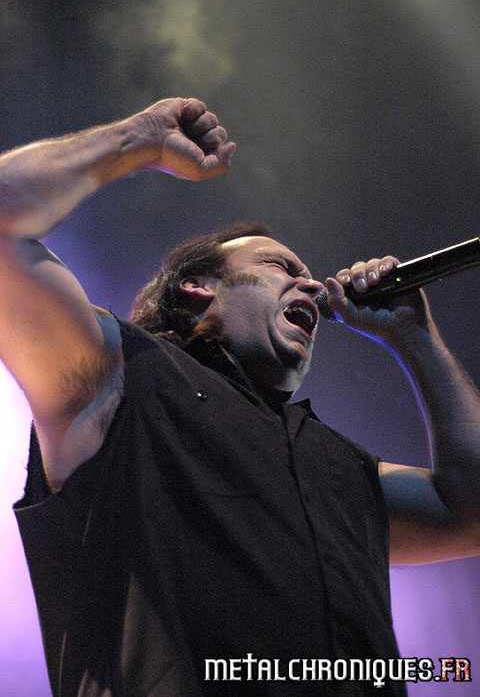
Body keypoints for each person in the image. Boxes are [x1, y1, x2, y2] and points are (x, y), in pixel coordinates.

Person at [1, 97, 480, 697]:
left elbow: (471, 512)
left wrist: (418, 337)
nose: (311, 283)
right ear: (198, 286)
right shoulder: (123, 379)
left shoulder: (340, 466)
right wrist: (134, 139)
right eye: (281, 266)